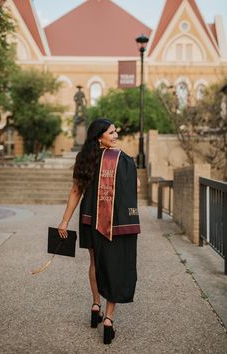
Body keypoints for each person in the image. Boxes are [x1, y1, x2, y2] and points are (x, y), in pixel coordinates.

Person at [58, 118, 140, 344]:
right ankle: (109, 320)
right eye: (111, 133)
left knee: (95, 263)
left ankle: (96, 305)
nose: (116, 136)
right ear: (99, 137)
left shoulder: (84, 158)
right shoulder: (122, 160)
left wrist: (65, 221)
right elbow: (135, 190)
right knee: (113, 264)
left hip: (88, 220)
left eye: (115, 132)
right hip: (112, 222)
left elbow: (76, 191)